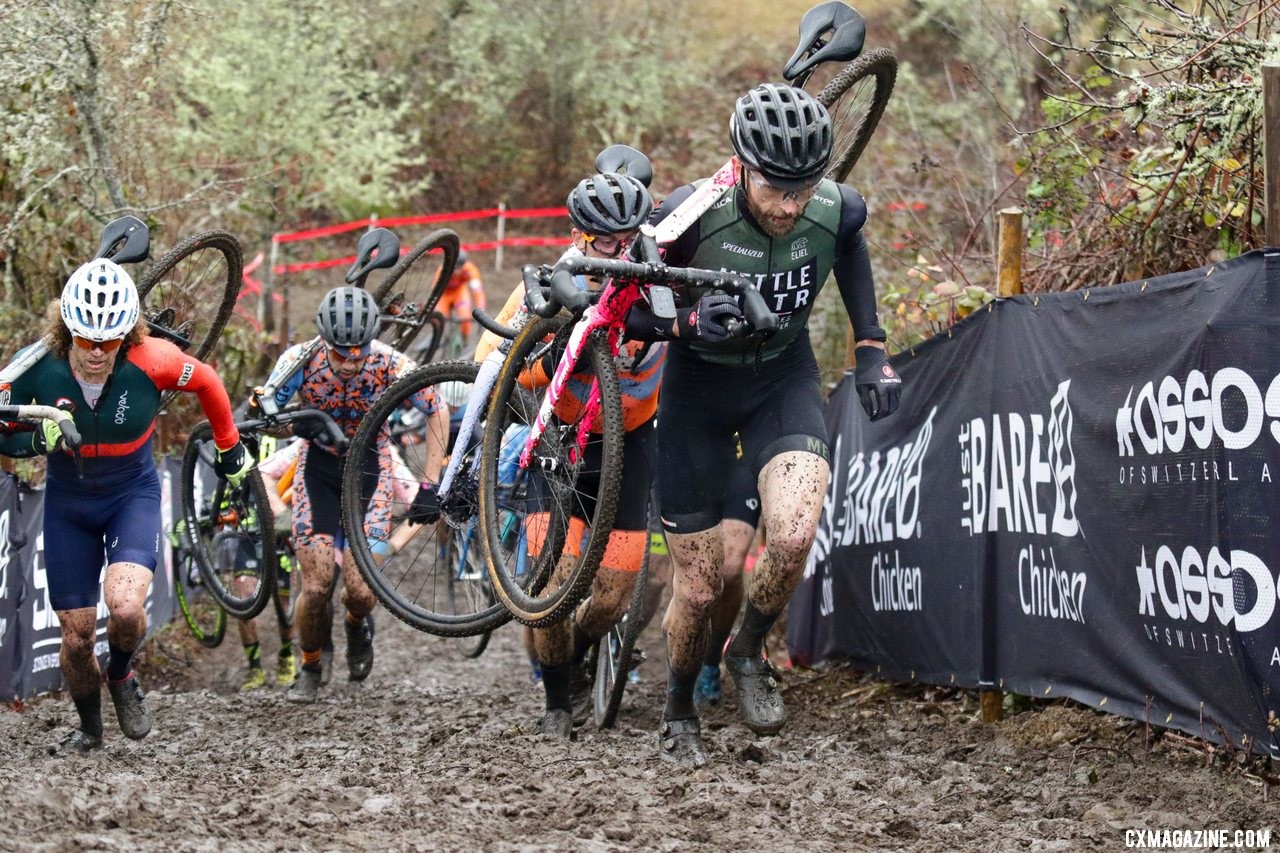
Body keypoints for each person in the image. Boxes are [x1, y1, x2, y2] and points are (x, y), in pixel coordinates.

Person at [624, 83, 903, 767]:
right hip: (696, 390)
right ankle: (681, 702)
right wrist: (686, 320)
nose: (790, 206)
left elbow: (852, 245)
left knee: (795, 530)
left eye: (803, 188)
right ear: (741, 166)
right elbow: (625, 313)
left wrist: (872, 350)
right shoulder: (687, 217)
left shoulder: (834, 208)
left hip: (783, 378)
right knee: (698, 584)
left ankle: (748, 648)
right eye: (777, 189)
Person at [0, 259, 251, 753]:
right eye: (86, 340)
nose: (97, 352)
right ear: (66, 329)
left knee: (128, 607)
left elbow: (209, 383)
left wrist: (228, 445)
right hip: (69, 502)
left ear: (129, 334)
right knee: (74, 637)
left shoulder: (152, 358)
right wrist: (36, 440)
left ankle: (120, 674)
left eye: (110, 341)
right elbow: (2, 432)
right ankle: (90, 728)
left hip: (129, 494)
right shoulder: (36, 368)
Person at [480, 170, 663, 739]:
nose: (619, 249)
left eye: (628, 235)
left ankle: (582, 659)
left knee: (611, 596)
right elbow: (491, 359)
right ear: (582, 235)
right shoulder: (554, 276)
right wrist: (558, 354)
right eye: (605, 240)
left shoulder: (661, 266)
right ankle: (557, 700)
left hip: (632, 440)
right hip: (561, 441)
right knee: (551, 592)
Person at [256, 286, 449, 701]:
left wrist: (431, 484)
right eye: (340, 353)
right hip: (319, 470)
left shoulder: (390, 363)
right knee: (316, 585)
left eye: (358, 350)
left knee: (360, 592)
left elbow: (439, 409)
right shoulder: (299, 361)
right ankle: (310, 666)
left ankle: (356, 624)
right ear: (324, 341)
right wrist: (292, 425)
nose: (350, 361)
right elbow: (264, 415)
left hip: (371, 470)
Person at [692, 442, 762, 706]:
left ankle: (710, 662)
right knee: (682, 575)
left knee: (730, 568)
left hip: (742, 459)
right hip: (692, 449)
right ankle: (683, 657)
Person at [435, 249, 487, 345]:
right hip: (444, 294)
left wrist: (481, 307)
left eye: (459, 268)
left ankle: (465, 341)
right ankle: (437, 339)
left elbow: (477, 290)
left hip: (459, 292)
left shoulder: (470, 269)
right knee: (439, 318)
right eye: (454, 268)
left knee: (465, 318)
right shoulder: (442, 269)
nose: (456, 271)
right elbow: (436, 292)